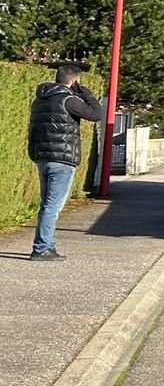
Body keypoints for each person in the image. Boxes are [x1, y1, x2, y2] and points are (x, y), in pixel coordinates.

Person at [26, 63, 105, 261]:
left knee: (47, 204)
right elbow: (96, 114)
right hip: (61, 159)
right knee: (53, 206)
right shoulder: (68, 100)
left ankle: (47, 245)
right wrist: (85, 92)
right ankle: (41, 248)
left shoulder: (39, 100)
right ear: (74, 80)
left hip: (42, 157)